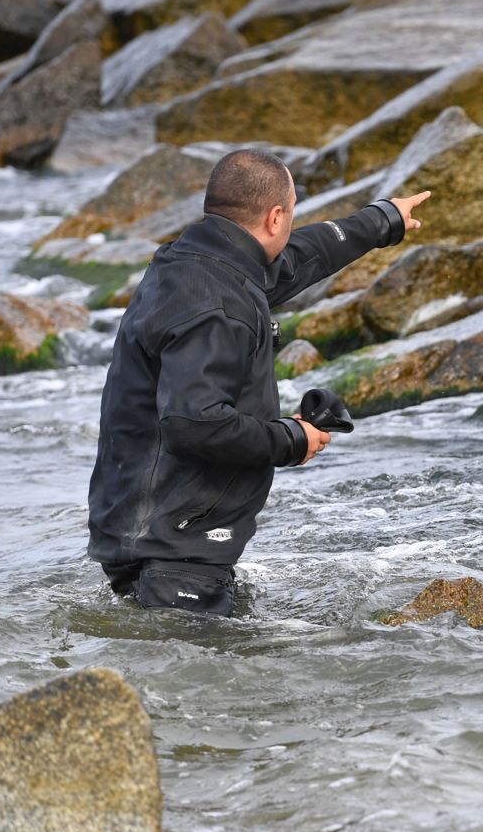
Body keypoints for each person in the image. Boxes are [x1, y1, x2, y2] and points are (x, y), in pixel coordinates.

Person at [87, 148, 431, 616]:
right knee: (199, 682)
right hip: (174, 549)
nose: (289, 228)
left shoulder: (191, 262)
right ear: (274, 217)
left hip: (147, 533)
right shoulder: (218, 307)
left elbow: (300, 258)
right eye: (290, 215)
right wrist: (290, 438)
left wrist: (382, 221)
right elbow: (194, 424)